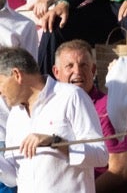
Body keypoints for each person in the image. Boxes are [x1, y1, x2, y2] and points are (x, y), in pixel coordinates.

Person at [0, 46, 106, 193]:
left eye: (0, 83)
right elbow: (13, 178)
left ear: (17, 74)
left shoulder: (71, 96)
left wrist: (55, 142)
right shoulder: (14, 115)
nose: (0, 92)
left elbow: (100, 155)